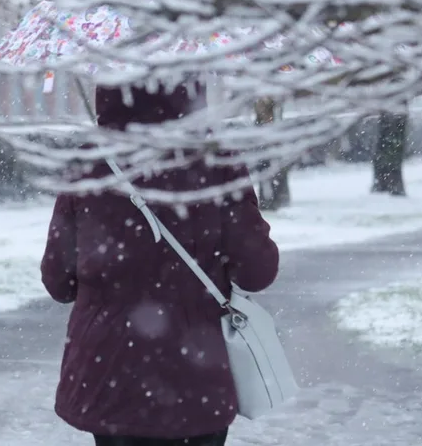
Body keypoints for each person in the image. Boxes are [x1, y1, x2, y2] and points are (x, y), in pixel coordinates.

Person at [41, 82, 280, 446]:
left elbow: (58, 281)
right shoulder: (216, 162)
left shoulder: (88, 165)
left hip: (108, 375)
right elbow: (257, 271)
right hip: (196, 375)